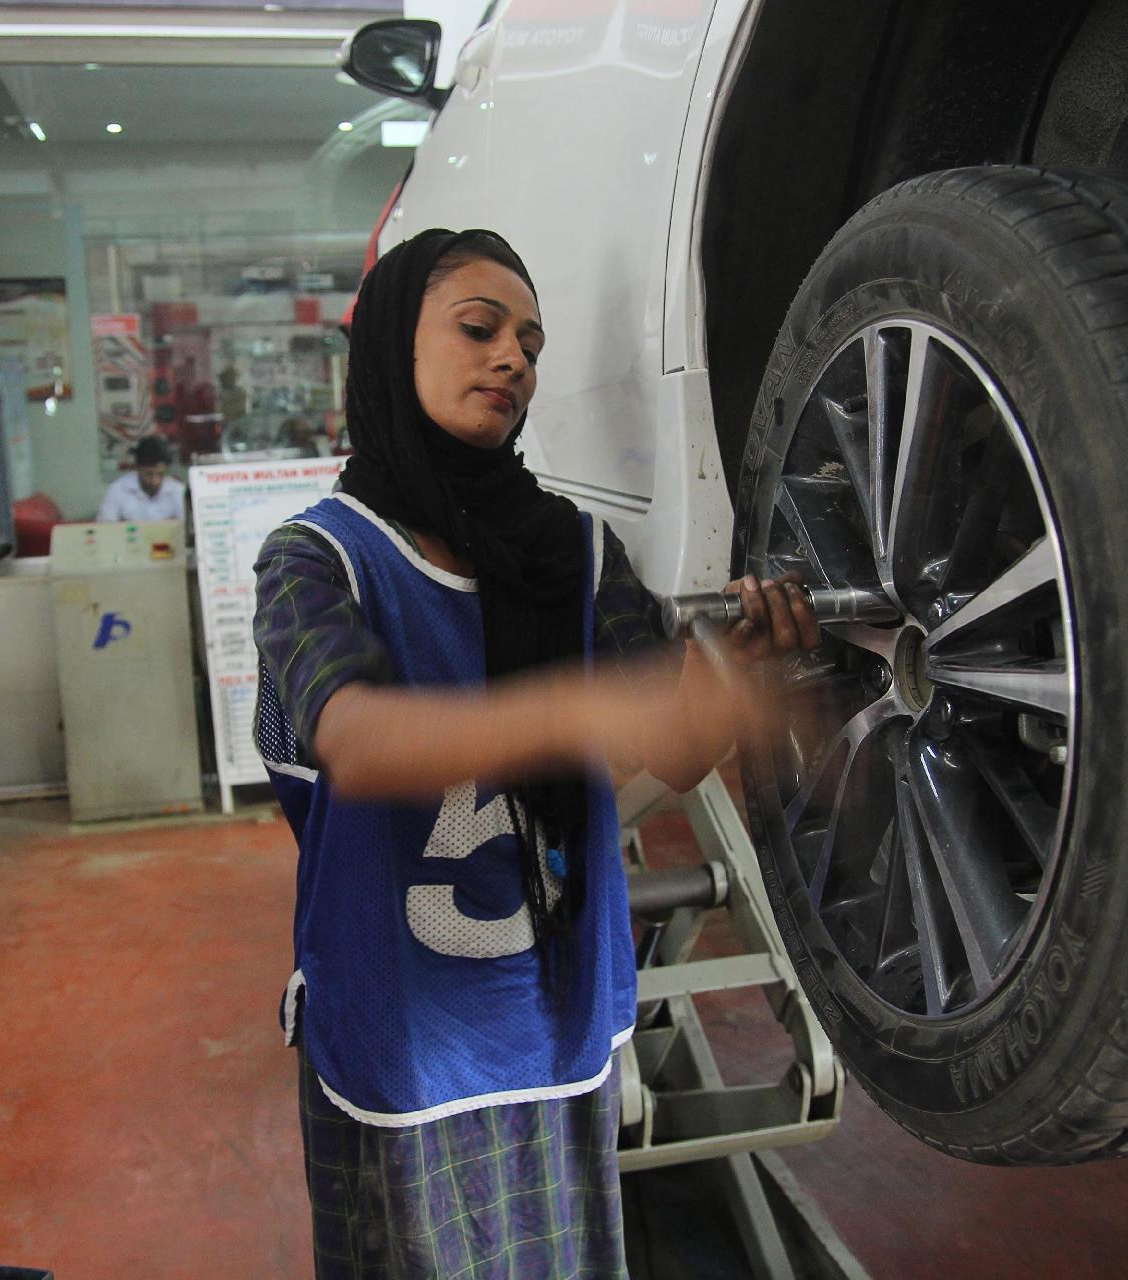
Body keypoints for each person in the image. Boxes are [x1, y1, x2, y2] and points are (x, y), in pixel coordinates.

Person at [252, 229, 818, 1277]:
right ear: (390, 347)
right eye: (479, 329)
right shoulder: (318, 558)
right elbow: (359, 742)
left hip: (555, 1019)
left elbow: (668, 756)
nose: (512, 357)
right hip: (405, 1034)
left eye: (531, 343)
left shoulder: (579, 552)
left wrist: (730, 676)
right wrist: (578, 710)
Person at [97, 435, 185, 523]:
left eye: (160, 474)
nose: (154, 481)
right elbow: (105, 527)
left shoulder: (178, 491)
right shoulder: (117, 490)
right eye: (149, 474)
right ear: (137, 467)